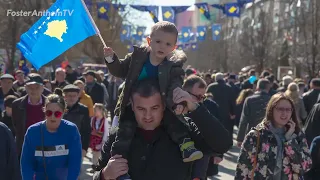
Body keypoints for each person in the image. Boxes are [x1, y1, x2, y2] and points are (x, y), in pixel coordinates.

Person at [103, 21, 200, 179]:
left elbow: (175, 86)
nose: (162, 46)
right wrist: (111, 59)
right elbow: (120, 71)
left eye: (168, 44)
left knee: (173, 121)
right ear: (149, 41)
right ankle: (120, 170)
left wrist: (179, 102)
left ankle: (186, 146)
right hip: (132, 104)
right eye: (158, 41)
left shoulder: (173, 66)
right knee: (123, 135)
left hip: (161, 104)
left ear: (174, 47)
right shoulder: (137, 57)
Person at [93, 78, 232, 180]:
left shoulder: (184, 132)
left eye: (155, 108)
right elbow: (96, 174)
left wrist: (195, 109)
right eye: (141, 109)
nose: (148, 116)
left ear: (164, 106)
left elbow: (223, 145)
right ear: (132, 107)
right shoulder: (118, 137)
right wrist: (104, 175)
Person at [235, 93, 312, 179]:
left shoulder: (297, 134)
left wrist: (289, 141)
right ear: (271, 110)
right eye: (280, 109)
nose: (284, 113)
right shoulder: (256, 135)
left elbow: (305, 166)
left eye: (288, 109)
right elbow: (242, 169)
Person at [20, 94, 82, 179]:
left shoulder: (71, 130)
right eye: (49, 113)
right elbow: (26, 163)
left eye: (57, 113)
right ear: (44, 111)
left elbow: (75, 162)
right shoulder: (32, 131)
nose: (52, 117)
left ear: (64, 112)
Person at [12, 73, 46, 157]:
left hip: (45, 145)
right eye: (30, 87)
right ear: (26, 88)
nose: (33, 90)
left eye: (37, 87)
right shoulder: (17, 104)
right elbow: (16, 125)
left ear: (42, 88)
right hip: (24, 145)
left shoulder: (50, 104)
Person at [237, 79, 271, 147]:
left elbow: (243, 120)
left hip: (252, 133)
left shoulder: (249, 100)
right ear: (268, 88)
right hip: (268, 134)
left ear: (257, 87)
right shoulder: (272, 100)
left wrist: (240, 138)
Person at [62, 85, 91, 160]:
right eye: (69, 96)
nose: (72, 98)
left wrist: (84, 148)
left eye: (74, 96)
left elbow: (87, 130)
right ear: (64, 96)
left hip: (77, 144)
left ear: (78, 96)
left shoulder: (83, 110)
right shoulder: (59, 108)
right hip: (60, 145)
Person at [90, 103, 110, 172]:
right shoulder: (93, 119)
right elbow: (91, 128)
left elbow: (106, 131)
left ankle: (97, 167)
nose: (94, 111)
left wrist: (103, 141)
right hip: (93, 140)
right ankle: (94, 166)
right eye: (94, 110)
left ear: (101, 110)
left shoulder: (105, 120)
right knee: (94, 153)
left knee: (98, 154)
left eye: (96, 110)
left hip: (100, 140)